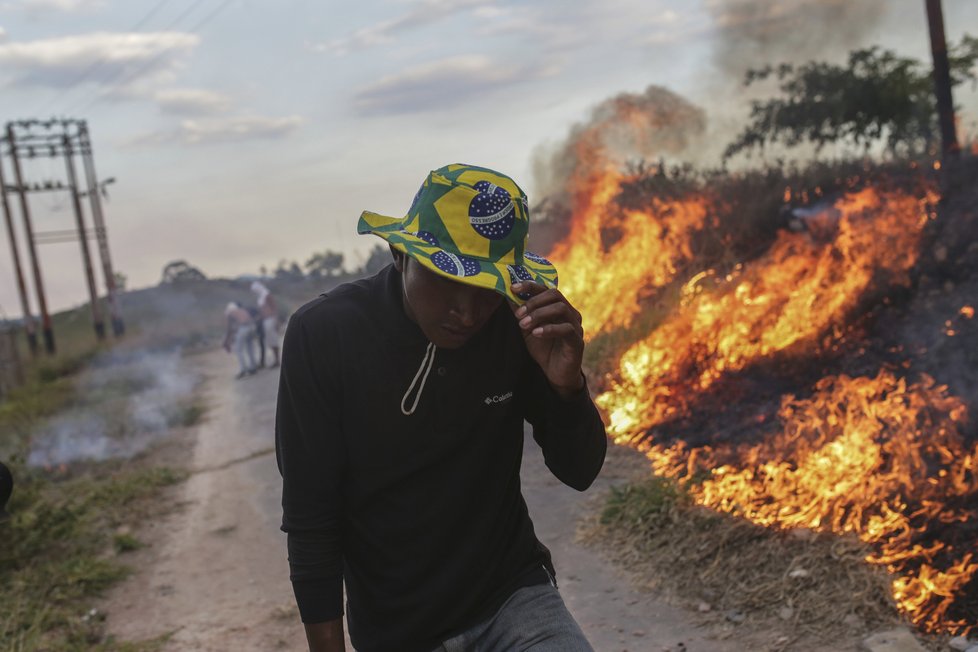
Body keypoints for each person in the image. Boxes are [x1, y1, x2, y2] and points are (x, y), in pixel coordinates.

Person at [275, 163, 607, 652]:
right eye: (445, 280)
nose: (467, 312)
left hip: (513, 596)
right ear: (399, 254)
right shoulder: (325, 336)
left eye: (485, 290)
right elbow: (311, 516)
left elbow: (580, 471)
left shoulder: (517, 324)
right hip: (398, 629)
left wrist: (567, 388)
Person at [223, 301, 258, 379]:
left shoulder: (230, 313)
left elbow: (230, 328)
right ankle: (253, 367)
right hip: (252, 327)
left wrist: (227, 340)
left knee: (238, 350)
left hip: (244, 328)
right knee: (250, 348)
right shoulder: (241, 310)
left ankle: (243, 370)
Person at [251, 280, 281, 367]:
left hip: (270, 320)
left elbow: (274, 307)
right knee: (270, 341)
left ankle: (277, 360)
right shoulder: (261, 297)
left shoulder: (267, 295)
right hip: (265, 320)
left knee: (273, 340)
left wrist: (276, 321)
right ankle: (276, 360)